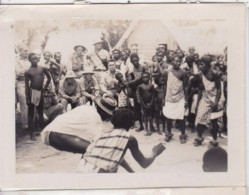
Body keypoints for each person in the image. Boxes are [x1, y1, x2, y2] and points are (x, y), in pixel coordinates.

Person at [79, 108, 166, 173]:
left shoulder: (103, 134)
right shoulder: (129, 139)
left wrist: (132, 173)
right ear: (131, 124)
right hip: (98, 174)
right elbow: (144, 163)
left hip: (82, 168)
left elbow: (118, 157)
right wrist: (155, 153)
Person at [41, 94, 117, 154]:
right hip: (57, 135)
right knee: (94, 150)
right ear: (103, 112)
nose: (108, 118)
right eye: (108, 115)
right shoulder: (96, 118)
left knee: (90, 148)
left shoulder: (86, 107)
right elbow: (96, 143)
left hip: (49, 131)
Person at [193, 55, 221, 147]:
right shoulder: (200, 76)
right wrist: (198, 104)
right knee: (200, 118)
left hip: (215, 99)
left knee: (213, 120)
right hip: (205, 98)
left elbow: (219, 89)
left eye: (202, 64)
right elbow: (201, 90)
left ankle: (214, 140)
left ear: (208, 65)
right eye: (199, 64)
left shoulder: (214, 74)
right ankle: (199, 137)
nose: (200, 66)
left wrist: (216, 102)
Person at [25, 53, 51, 140]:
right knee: (31, 113)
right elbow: (27, 86)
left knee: (40, 112)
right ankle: (31, 133)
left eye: (36, 58)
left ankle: (43, 131)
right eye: (33, 59)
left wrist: (44, 88)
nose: (35, 60)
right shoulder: (28, 71)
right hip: (32, 92)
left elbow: (49, 78)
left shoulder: (42, 68)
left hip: (40, 92)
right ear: (30, 60)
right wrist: (28, 97)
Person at [163, 56, 188, 144]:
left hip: (180, 97)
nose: (177, 63)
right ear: (172, 62)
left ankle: (183, 134)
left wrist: (186, 100)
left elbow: (185, 87)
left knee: (181, 118)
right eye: (175, 61)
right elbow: (165, 86)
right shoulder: (167, 72)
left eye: (179, 61)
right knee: (168, 117)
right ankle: (169, 133)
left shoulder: (183, 73)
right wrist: (164, 98)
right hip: (169, 97)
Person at [127, 53, 146, 132]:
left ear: (139, 59)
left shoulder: (143, 67)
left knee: (146, 107)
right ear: (131, 61)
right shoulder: (131, 70)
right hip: (136, 90)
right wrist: (136, 80)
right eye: (133, 61)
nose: (135, 62)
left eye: (136, 60)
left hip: (144, 89)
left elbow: (147, 77)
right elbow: (129, 82)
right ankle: (141, 125)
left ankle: (149, 125)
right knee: (137, 108)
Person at [15, 44, 30, 132]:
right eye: (25, 50)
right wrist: (27, 70)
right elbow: (18, 73)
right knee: (24, 103)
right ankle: (24, 125)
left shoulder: (29, 61)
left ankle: (32, 124)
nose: (27, 52)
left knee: (32, 102)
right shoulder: (17, 62)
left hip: (30, 83)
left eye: (27, 50)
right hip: (21, 83)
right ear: (20, 51)